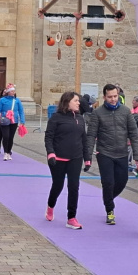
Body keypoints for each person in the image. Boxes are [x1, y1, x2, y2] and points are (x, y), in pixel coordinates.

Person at [86, 83, 138, 225]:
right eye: (110, 97)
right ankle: (110, 210)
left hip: (122, 153)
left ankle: (108, 198)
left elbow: (134, 134)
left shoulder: (126, 111)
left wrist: (137, 156)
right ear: (104, 97)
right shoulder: (97, 113)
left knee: (122, 181)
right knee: (108, 182)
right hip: (104, 153)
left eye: (115, 96)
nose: (113, 99)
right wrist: (88, 156)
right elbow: (91, 135)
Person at [44, 91, 92, 229]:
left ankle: (71, 218)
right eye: (76, 100)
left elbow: (84, 139)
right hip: (58, 158)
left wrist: (87, 158)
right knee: (58, 185)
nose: (78, 103)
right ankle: (50, 206)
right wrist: (50, 153)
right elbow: (49, 137)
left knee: (74, 187)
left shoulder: (80, 118)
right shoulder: (56, 118)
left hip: (75, 158)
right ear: (67, 102)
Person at [0, 84, 25, 161]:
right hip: (5, 120)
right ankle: (5, 152)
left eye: (14, 91)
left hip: (14, 121)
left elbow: (21, 111)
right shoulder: (2, 100)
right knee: (5, 136)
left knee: (11, 137)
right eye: (12, 91)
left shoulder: (17, 100)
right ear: (8, 92)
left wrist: (22, 121)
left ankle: (8, 152)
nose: (13, 92)